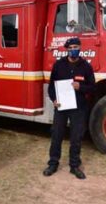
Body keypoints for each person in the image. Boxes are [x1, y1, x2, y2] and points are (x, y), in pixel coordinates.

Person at [43, 37, 95, 179]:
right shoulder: (59, 65)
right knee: (56, 135)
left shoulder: (86, 66)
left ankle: (74, 166)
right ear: (67, 49)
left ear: (80, 48)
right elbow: (52, 86)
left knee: (76, 137)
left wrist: (81, 87)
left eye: (76, 47)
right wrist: (54, 99)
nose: (73, 50)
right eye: (71, 47)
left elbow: (92, 88)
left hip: (79, 108)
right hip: (61, 107)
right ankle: (53, 164)